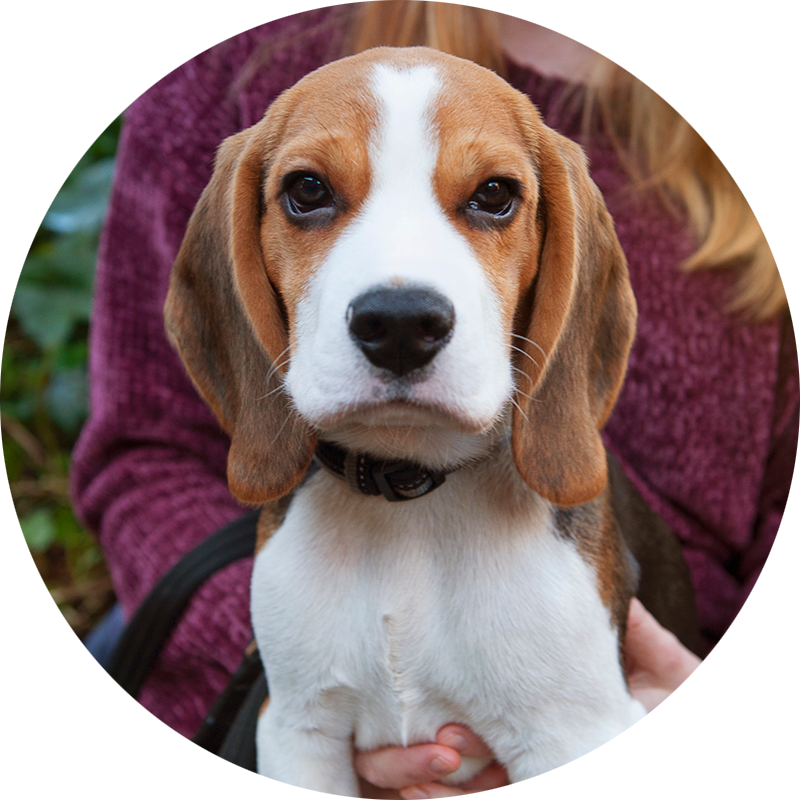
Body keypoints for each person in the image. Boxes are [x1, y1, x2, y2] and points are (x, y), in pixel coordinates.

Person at [70, 2, 797, 797]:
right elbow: (150, 460)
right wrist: (273, 683)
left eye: (490, 199)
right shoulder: (236, 48)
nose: (399, 304)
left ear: (558, 260)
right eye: (312, 194)